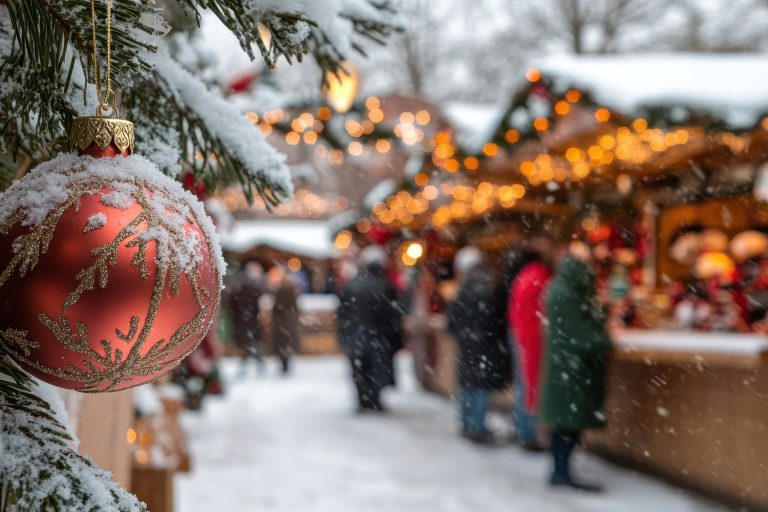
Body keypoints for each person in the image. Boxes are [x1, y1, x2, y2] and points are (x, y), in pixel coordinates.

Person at [540, 249, 612, 491]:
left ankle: (560, 470)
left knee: (565, 423)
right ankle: (561, 472)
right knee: (567, 424)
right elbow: (580, 335)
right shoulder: (568, 294)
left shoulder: (563, 290)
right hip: (572, 370)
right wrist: (605, 340)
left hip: (566, 369)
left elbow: (578, 323)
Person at [448, 246, 510, 443]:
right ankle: (476, 425)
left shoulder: (464, 287)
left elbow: (453, 320)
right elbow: (500, 317)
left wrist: (463, 333)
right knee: (480, 384)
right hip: (486, 342)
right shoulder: (492, 283)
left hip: (470, 343)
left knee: (470, 384)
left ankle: (469, 423)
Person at [337, 246, 403, 412]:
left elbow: (342, 313)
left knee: (359, 370)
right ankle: (374, 399)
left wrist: (344, 334)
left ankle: (362, 399)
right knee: (376, 369)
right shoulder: (385, 286)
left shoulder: (352, 285)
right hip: (378, 336)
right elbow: (393, 314)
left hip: (356, 335)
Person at [508, 242, 553, 451]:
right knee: (530, 386)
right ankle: (527, 432)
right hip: (530, 336)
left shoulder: (525, 275)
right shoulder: (539, 277)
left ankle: (522, 429)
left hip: (521, 333)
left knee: (524, 385)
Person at [228, 261, 265, 374]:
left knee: (247, 345)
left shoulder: (239, 290)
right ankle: (257, 364)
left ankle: (253, 364)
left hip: (245, 322)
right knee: (251, 345)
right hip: (249, 321)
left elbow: (232, 305)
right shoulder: (254, 290)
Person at [271, 266, 301, 375]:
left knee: (281, 345)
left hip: (281, 323)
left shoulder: (279, 291)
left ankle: (284, 365)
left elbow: (276, 308)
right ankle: (286, 364)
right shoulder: (292, 291)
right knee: (287, 344)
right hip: (289, 322)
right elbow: (295, 308)